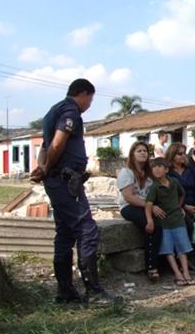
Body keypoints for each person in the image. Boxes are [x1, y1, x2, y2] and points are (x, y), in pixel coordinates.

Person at [30, 78, 115, 305]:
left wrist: (42, 167)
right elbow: (57, 145)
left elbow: (45, 147)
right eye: (91, 99)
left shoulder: (52, 112)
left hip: (60, 182)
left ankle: (66, 292)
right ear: (84, 94)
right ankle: (94, 292)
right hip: (66, 182)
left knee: (65, 235)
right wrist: (47, 168)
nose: (90, 104)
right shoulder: (71, 111)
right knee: (87, 231)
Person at [117, 141, 164, 282]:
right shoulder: (126, 172)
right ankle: (151, 266)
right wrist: (151, 207)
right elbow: (129, 197)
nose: (143, 152)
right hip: (130, 206)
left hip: (147, 205)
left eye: (145, 150)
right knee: (151, 226)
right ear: (132, 154)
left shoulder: (149, 174)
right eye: (139, 151)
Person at [145, 157, 195, 286]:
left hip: (178, 220)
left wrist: (178, 206)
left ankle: (186, 273)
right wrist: (150, 220)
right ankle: (177, 273)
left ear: (166, 169)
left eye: (159, 166)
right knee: (168, 250)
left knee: (182, 248)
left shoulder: (174, 182)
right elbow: (148, 204)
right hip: (164, 222)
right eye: (154, 167)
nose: (156, 169)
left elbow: (182, 194)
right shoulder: (154, 187)